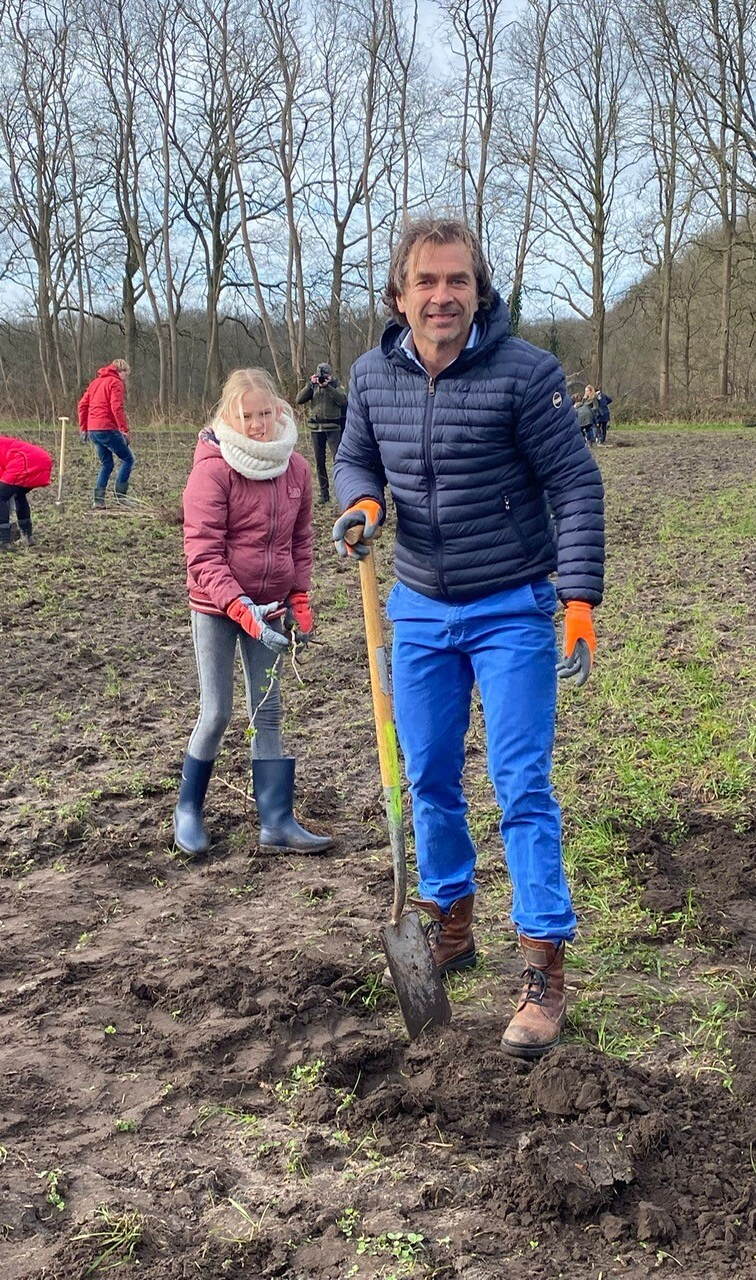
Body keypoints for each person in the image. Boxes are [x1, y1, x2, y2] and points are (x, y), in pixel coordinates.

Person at [332, 216, 604, 1060]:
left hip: (512, 604)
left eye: (458, 281)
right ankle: (450, 919)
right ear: (400, 293)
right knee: (427, 775)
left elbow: (575, 484)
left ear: (479, 291)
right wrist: (365, 503)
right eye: (427, 282)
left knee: (521, 782)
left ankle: (543, 963)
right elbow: (354, 458)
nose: (443, 296)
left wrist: (580, 596)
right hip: (415, 606)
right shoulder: (372, 376)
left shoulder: (526, 374)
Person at [173, 367, 333, 858]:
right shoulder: (212, 469)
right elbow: (202, 555)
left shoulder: (297, 470)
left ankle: (277, 822)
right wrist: (239, 608)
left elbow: (301, 541)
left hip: (271, 607)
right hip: (217, 607)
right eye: (249, 416)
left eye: (267, 413)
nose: (259, 425)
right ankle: (188, 809)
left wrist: (299, 596)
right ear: (229, 417)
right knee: (217, 711)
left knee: (268, 712)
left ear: (280, 410)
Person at [77, 359, 134, 508]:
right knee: (128, 458)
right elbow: (116, 407)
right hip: (107, 428)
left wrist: (84, 428)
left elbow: (82, 405)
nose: (125, 379)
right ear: (121, 371)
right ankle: (120, 497)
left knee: (107, 463)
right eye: (126, 375)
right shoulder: (115, 383)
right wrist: (124, 429)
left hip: (93, 429)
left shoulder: (95, 382)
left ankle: (98, 500)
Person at [296, 362, 347, 504]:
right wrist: (309, 385)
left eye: (325, 375)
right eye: (320, 375)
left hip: (332, 428)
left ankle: (342, 492)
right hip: (316, 428)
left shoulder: (336, 385)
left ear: (330, 374)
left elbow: (343, 401)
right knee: (319, 462)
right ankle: (324, 494)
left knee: (338, 461)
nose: (322, 378)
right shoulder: (313, 386)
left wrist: (328, 387)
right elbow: (299, 400)